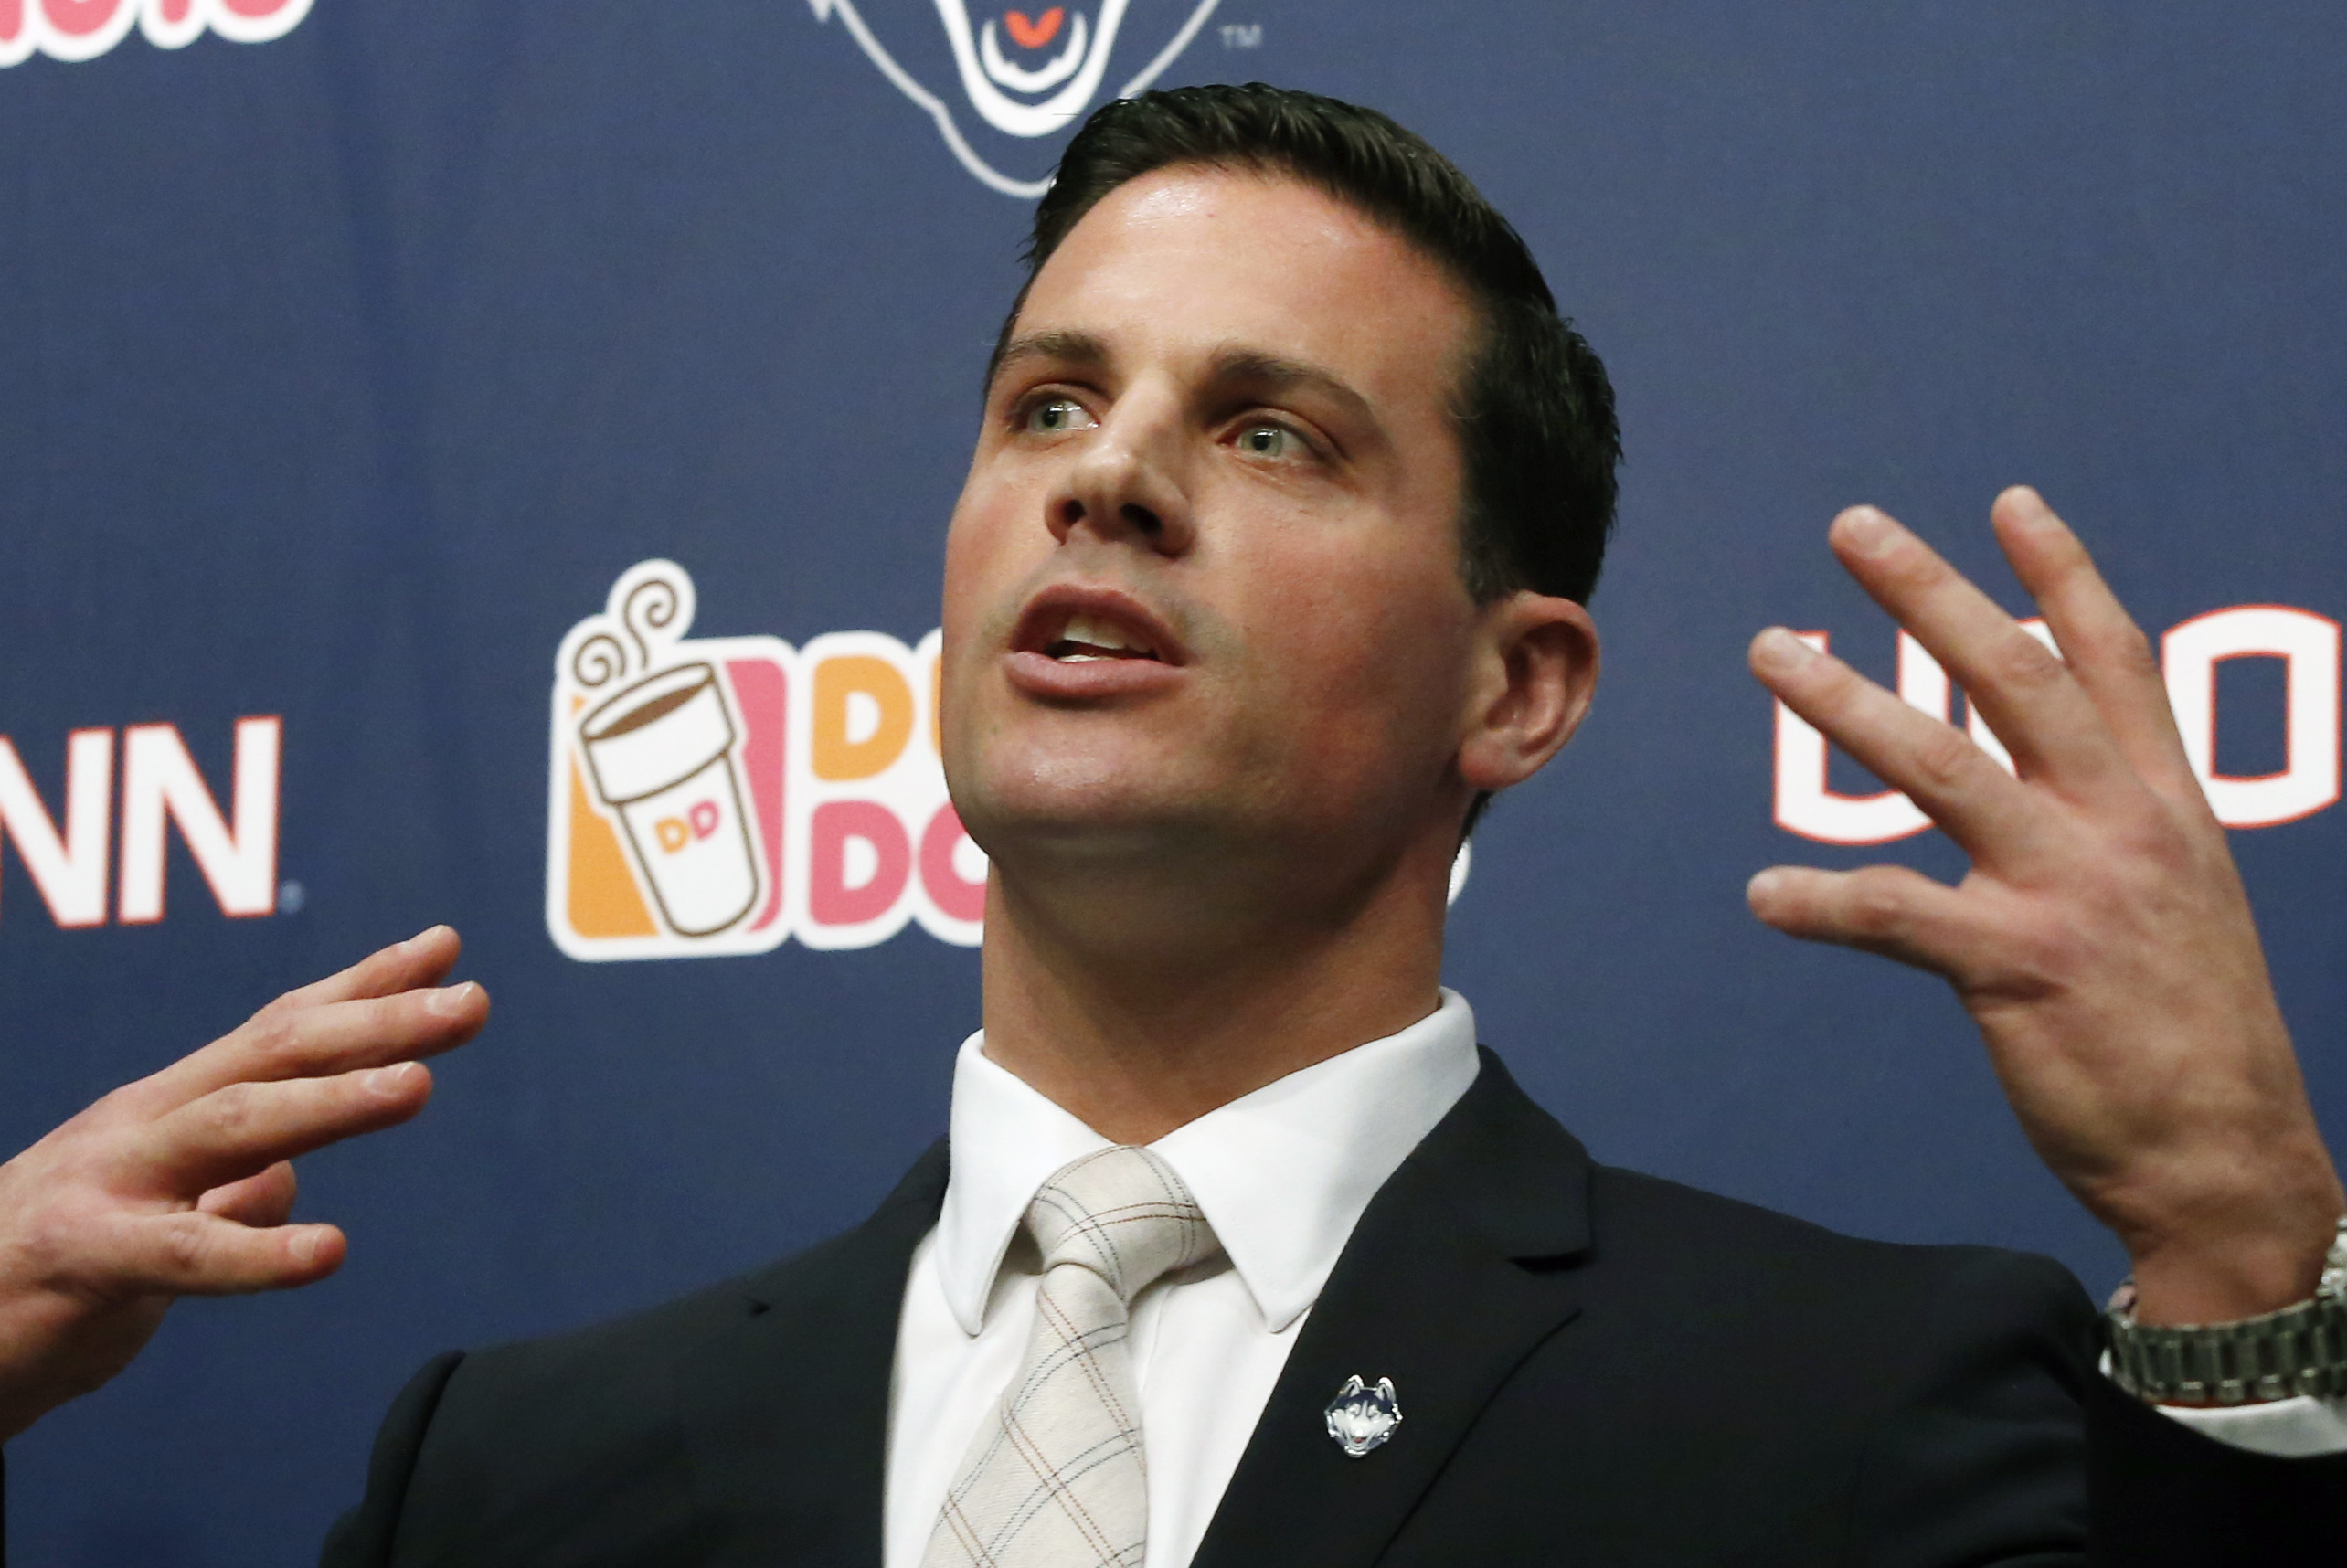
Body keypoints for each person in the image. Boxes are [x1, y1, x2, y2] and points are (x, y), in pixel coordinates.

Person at [4, 85, 2344, 1565]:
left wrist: (2247, 1255)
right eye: (1049, 401)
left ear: (1514, 687)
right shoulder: (508, 1478)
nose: (1103, 473)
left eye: (1273, 434)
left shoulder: (1861, 1404)